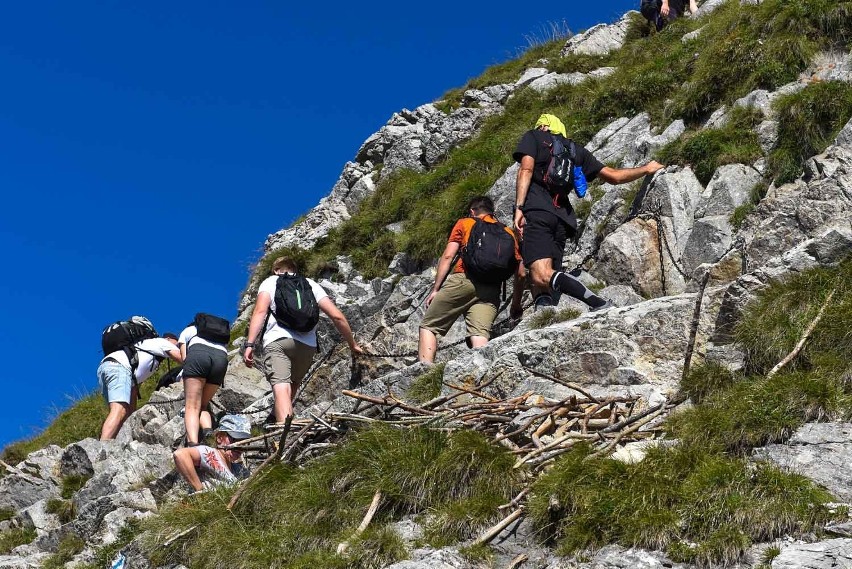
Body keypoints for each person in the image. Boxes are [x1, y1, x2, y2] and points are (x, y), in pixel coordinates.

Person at [513, 114, 664, 310]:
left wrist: (519, 208)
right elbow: (613, 176)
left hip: (537, 211)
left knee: (542, 274)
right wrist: (646, 168)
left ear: (543, 126)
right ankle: (544, 312)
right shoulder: (575, 150)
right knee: (543, 276)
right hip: (561, 220)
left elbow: (525, 170)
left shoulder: (534, 136)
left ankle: (598, 302)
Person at [243, 257, 364, 423]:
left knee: (281, 387)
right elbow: (337, 316)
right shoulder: (310, 284)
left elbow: (259, 312)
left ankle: (284, 431)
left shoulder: (271, 281)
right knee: (293, 384)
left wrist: (250, 344)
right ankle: (275, 416)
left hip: (278, 341)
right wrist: (353, 344)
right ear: (295, 269)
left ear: (277, 270)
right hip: (307, 346)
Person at [419, 196, 525, 363]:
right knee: (479, 335)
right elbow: (521, 273)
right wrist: (516, 303)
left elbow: (448, 256)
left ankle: (424, 373)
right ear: (493, 212)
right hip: (491, 290)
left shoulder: (465, 223)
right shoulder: (509, 233)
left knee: (429, 326)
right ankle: (481, 372)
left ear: (472, 211)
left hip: (464, 279)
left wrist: (436, 289)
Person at [97, 331, 183, 440]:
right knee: (119, 410)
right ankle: (102, 448)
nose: (177, 347)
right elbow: (182, 358)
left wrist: (132, 414)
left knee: (122, 413)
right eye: (177, 345)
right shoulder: (162, 342)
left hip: (106, 367)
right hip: (118, 368)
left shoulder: (144, 349)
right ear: (169, 339)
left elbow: (133, 387)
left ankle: (112, 443)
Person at [179, 318, 229, 446]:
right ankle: (207, 430)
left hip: (198, 355)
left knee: (192, 406)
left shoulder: (189, 330)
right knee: (203, 405)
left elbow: (184, 357)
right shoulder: (218, 335)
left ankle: (193, 443)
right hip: (221, 358)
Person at [173, 414, 251, 493]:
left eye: (243, 442)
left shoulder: (239, 469)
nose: (239, 445)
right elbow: (181, 455)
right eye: (234, 439)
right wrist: (200, 490)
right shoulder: (210, 454)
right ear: (219, 437)